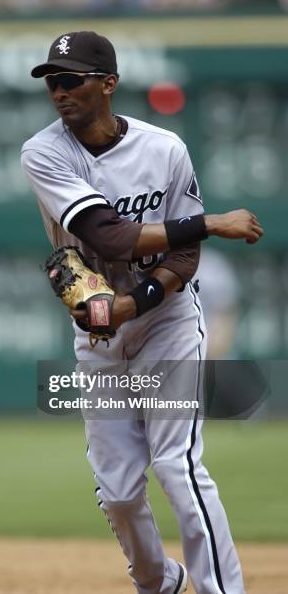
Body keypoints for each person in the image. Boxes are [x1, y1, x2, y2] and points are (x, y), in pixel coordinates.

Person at [21, 31, 263, 594]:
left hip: (169, 323)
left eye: (72, 79)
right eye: (52, 82)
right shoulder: (45, 152)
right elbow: (110, 234)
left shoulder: (165, 149)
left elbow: (182, 257)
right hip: (100, 336)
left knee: (177, 465)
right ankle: (160, 583)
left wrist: (136, 303)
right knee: (120, 492)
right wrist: (211, 220)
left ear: (108, 84)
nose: (59, 92)